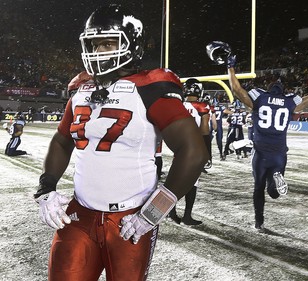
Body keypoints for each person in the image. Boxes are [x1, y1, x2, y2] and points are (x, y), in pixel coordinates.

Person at [33, 5, 208, 281]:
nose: (98, 51)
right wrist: (46, 187)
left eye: (107, 43)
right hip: (80, 214)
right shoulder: (82, 90)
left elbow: (194, 152)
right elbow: (62, 140)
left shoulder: (151, 88)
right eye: (93, 44)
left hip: (130, 219)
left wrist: (152, 213)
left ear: (131, 44)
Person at [206, 40, 308, 230]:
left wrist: (231, 67)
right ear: (283, 92)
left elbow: (236, 90)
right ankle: (276, 177)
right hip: (279, 154)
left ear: (268, 90)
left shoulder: (259, 97)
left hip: (260, 152)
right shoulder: (289, 101)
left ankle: (259, 221)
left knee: (258, 188)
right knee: (273, 193)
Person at [168, 78, 210, 226]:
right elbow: (205, 131)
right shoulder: (202, 106)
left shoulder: (177, 104)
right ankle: (186, 216)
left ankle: (170, 212)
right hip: (193, 147)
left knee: (175, 180)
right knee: (193, 182)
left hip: (178, 146)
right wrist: (207, 153)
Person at [212, 96, 232, 160]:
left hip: (211, 125)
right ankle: (221, 154)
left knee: (207, 141)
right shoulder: (221, 107)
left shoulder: (210, 107)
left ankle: (207, 155)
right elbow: (227, 111)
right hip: (218, 126)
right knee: (219, 141)